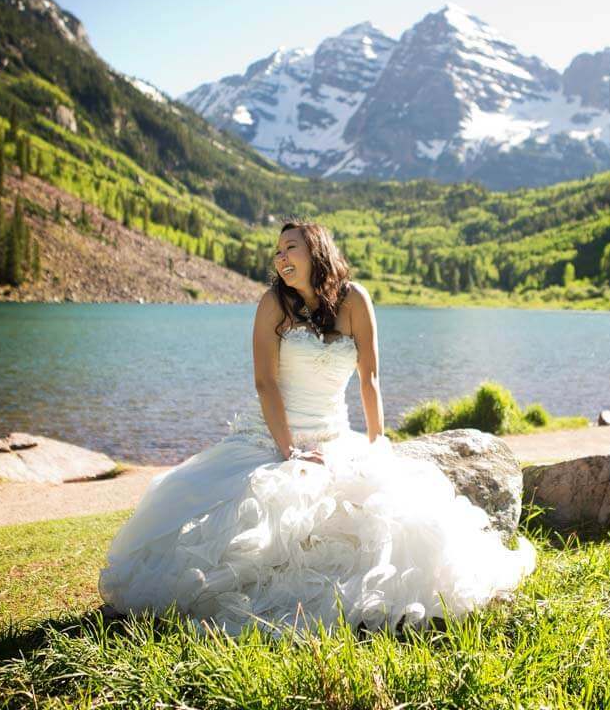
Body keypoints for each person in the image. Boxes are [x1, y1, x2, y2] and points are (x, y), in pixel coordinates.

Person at [98, 220, 535, 636]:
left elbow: (370, 378)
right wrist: (288, 452)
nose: (280, 257)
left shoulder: (356, 300)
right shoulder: (272, 304)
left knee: (387, 517)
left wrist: (377, 440)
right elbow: (265, 383)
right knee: (253, 527)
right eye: (276, 251)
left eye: (291, 247)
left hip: (334, 436)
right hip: (272, 437)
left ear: (317, 252)